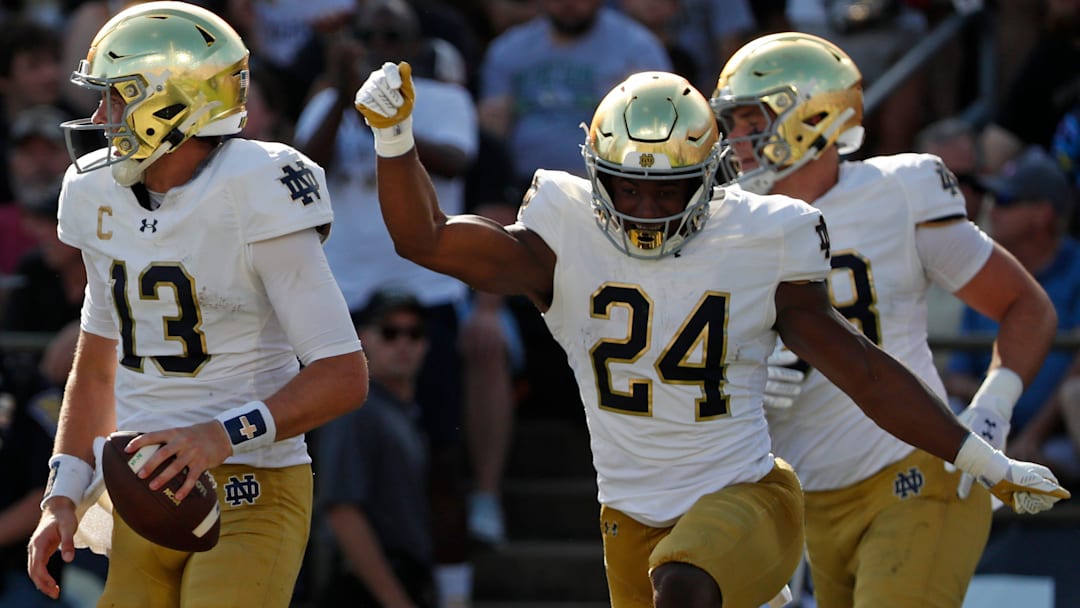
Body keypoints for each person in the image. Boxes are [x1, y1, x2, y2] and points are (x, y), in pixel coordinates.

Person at [352, 61, 1069, 607]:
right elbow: (428, 239)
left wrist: (982, 456)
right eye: (628, 188)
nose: (645, 210)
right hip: (629, 516)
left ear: (708, 180)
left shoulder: (761, 235)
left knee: (687, 585)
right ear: (595, 175)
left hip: (746, 497)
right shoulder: (560, 233)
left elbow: (864, 371)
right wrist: (394, 140)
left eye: (669, 191)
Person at [25, 3, 368, 606]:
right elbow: (99, 364)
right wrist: (65, 488)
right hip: (144, 490)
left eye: (117, 97)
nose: (101, 118)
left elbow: (343, 376)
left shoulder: (256, 187)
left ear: (171, 102)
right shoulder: (95, 192)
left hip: (249, 490)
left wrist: (220, 435)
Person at [710, 32, 1059, 608]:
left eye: (752, 121)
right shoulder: (727, 225)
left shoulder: (897, 194)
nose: (737, 141)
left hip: (913, 477)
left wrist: (992, 411)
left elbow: (1026, 306)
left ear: (811, 116)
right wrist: (735, 383)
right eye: (732, 124)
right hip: (807, 505)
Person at [294, 1, 477, 602]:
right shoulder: (329, 101)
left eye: (391, 34)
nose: (377, 42)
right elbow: (298, 175)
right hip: (343, 301)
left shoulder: (444, 96)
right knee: (336, 457)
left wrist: (388, 121)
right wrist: (344, 96)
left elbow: (455, 160)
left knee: (442, 454)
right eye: (366, 33)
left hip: (426, 294)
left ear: (416, 43)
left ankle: (452, 593)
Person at [944, 146, 1080, 489]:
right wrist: (996, 412)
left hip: (1062, 440)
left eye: (1005, 200)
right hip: (994, 430)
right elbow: (957, 374)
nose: (992, 209)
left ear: (1042, 214)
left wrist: (1029, 438)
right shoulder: (986, 267)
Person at [313, 288, 436, 608]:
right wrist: (396, 602)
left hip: (403, 580)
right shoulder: (357, 411)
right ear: (363, 337)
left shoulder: (402, 412)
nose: (404, 343)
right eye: (390, 332)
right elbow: (342, 511)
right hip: (363, 591)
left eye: (415, 332)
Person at [477, 0, 671, 192]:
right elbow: (491, 132)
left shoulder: (638, 47)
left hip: (607, 187)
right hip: (521, 187)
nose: (568, 4)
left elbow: (661, 128)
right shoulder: (508, 49)